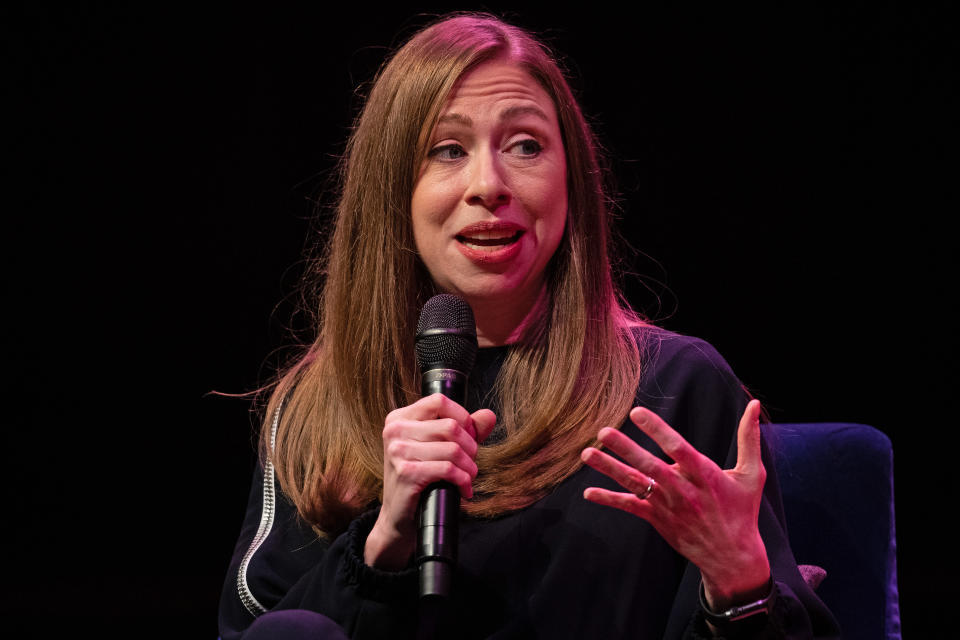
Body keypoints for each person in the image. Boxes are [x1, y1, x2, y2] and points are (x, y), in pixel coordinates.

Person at [219, 12, 840, 640]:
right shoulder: (320, 404)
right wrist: (385, 542)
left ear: (571, 182)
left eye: (526, 146)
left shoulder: (675, 389)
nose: (489, 185)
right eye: (448, 150)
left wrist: (739, 584)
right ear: (391, 191)